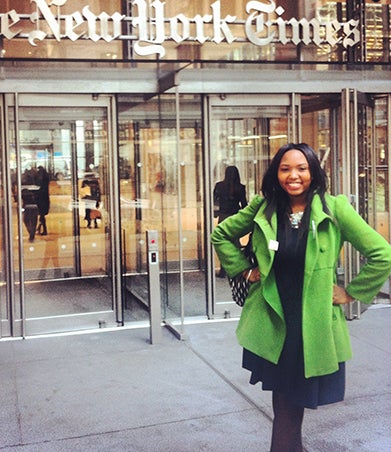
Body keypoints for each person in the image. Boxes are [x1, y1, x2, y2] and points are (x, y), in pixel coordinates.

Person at [211, 143, 391, 451]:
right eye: (285, 169)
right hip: (273, 318)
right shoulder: (264, 206)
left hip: (312, 324)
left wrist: (352, 293)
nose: (293, 176)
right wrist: (244, 269)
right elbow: (221, 235)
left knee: (289, 402)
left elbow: (382, 253)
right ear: (276, 173)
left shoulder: (335, 209)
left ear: (313, 172)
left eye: (301, 168)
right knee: (285, 402)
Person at [213, 165, 248, 277]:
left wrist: (215, 213)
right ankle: (237, 268)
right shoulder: (241, 187)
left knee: (224, 242)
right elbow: (244, 204)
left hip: (223, 216)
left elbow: (214, 201)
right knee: (235, 242)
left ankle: (225, 270)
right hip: (235, 216)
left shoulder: (219, 186)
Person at [36, 166, 50, 235]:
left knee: (42, 215)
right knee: (42, 216)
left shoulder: (42, 180)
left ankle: (44, 230)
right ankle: (40, 228)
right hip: (44, 199)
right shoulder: (46, 179)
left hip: (42, 199)